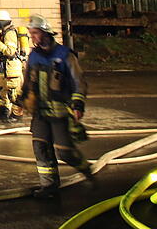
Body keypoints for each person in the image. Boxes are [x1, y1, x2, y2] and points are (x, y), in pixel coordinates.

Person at [18, 15, 94, 199]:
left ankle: (86, 169)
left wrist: (78, 104)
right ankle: (49, 187)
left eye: (35, 33)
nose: (32, 37)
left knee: (65, 152)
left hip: (60, 113)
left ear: (45, 33)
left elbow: (78, 82)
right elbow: (28, 81)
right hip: (41, 113)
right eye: (31, 34)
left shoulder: (65, 55)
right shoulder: (34, 56)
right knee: (41, 148)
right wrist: (21, 100)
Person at [0, 9, 24, 122]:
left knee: (13, 93)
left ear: (2, 22)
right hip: (4, 67)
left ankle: (16, 115)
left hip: (12, 68)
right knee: (2, 91)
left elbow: (10, 51)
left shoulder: (10, 33)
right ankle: (3, 111)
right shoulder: (4, 32)